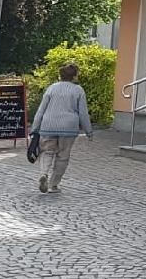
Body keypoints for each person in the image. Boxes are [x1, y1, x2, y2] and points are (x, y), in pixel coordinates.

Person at [30, 62, 92, 193]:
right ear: (74, 76)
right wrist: (88, 131)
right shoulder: (78, 90)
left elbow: (41, 110)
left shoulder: (51, 88)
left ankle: (43, 174)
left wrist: (35, 127)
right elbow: (83, 113)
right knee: (63, 156)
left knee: (46, 152)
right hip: (68, 128)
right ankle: (53, 184)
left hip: (48, 125)